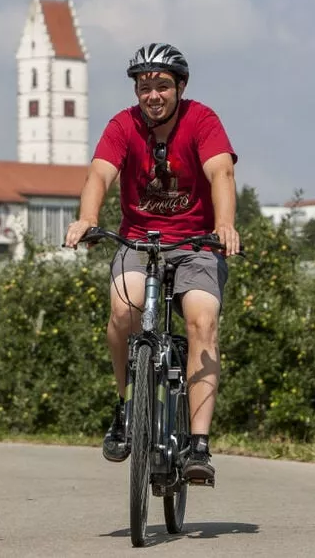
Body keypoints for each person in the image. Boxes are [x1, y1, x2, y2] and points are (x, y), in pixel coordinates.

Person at [63, 43, 241, 485]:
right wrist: (88, 219)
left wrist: (225, 225)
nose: (153, 94)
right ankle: (127, 406)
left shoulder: (202, 120)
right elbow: (100, 174)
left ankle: (198, 444)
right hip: (138, 239)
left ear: (180, 87)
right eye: (145, 87)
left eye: (162, 85)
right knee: (124, 311)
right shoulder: (123, 125)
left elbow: (221, 173)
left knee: (202, 319)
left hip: (197, 242)